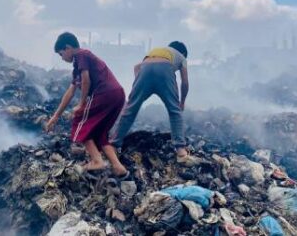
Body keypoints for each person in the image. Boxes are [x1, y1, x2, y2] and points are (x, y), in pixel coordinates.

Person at [44, 32, 129, 179]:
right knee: (100, 134)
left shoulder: (81, 55)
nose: (62, 58)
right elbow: (70, 92)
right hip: (117, 95)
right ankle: (118, 167)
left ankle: (97, 161)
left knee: (80, 122)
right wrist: (55, 116)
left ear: (68, 48)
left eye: (61, 54)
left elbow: (86, 81)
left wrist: (81, 104)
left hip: (104, 93)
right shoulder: (79, 65)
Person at [111, 41, 195, 162]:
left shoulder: (158, 51)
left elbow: (136, 67)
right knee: (174, 111)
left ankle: (114, 145)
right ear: (183, 52)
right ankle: (181, 152)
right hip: (165, 70)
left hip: (145, 70)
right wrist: (182, 102)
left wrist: (139, 84)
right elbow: (185, 82)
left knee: (131, 108)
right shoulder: (182, 57)